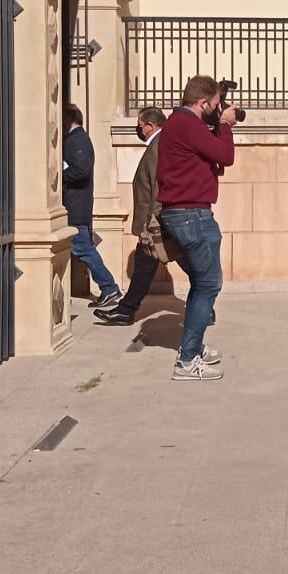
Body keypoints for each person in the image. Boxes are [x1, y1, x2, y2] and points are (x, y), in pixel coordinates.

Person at [156, 76, 236, 380]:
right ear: (203, 103)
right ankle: (187, 361)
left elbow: (211, 156)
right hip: (192, 215)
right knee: (208, 284)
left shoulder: (180, 124)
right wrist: (226, 125)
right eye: (215, 106)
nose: (218, 110)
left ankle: (193, 347)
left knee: (201, 283)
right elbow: (225, 155)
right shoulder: (187, 125)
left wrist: (218, 127)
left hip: (184, 214)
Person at [96, 108, 191, 333]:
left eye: (140, 125)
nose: (138, 129)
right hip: (156, 219)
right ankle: (127, 309)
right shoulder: (158, 145)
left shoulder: (159, 146)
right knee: (150, 264)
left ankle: (127, 310)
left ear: (150, 125)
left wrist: (153, 220)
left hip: (157, 219)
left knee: (185, 262)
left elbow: (159, 185)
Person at [62, 103, 120, 309]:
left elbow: (80, 170)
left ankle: (109, 286)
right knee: (83, 248)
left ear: (68, 120)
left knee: (83, 249)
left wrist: (59, 178)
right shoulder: (77, 139)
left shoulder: (77, 140)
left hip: (75, 207)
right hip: (77, 206)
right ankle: (108, 286)